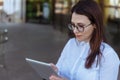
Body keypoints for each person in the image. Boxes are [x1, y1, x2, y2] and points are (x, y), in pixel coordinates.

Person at [49, 0, 120, 80]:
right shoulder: (71, 44)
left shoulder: (108, 55)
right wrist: (55, 71)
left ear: (95, 25)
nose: (75, 31)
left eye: (80, 26)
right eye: (73, 25)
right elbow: (59, 72)